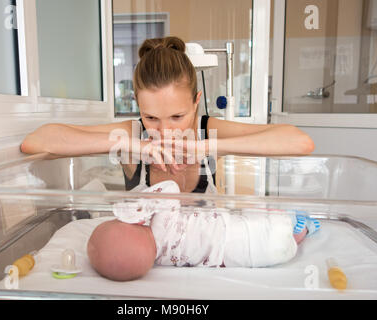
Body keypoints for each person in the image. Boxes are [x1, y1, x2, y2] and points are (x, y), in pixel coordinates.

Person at [20, 36, 315, 193]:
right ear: (137, 104)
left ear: (196, 102)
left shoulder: (206, 130)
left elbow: (300, 142)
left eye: (177, 117)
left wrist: (205, 147)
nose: (164, 131)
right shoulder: (132, 134)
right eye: (151, 118)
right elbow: (36, 142)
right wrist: (128, 144)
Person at [87, 181, 320, 281]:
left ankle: (296, 237)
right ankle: (293, 224)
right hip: (232, 233)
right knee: (261, 217)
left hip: (235, 258)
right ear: (133, 224)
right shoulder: (159, 225)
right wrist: (135, 207)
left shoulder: (162, 260)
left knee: (269, 243)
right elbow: (170, 188)